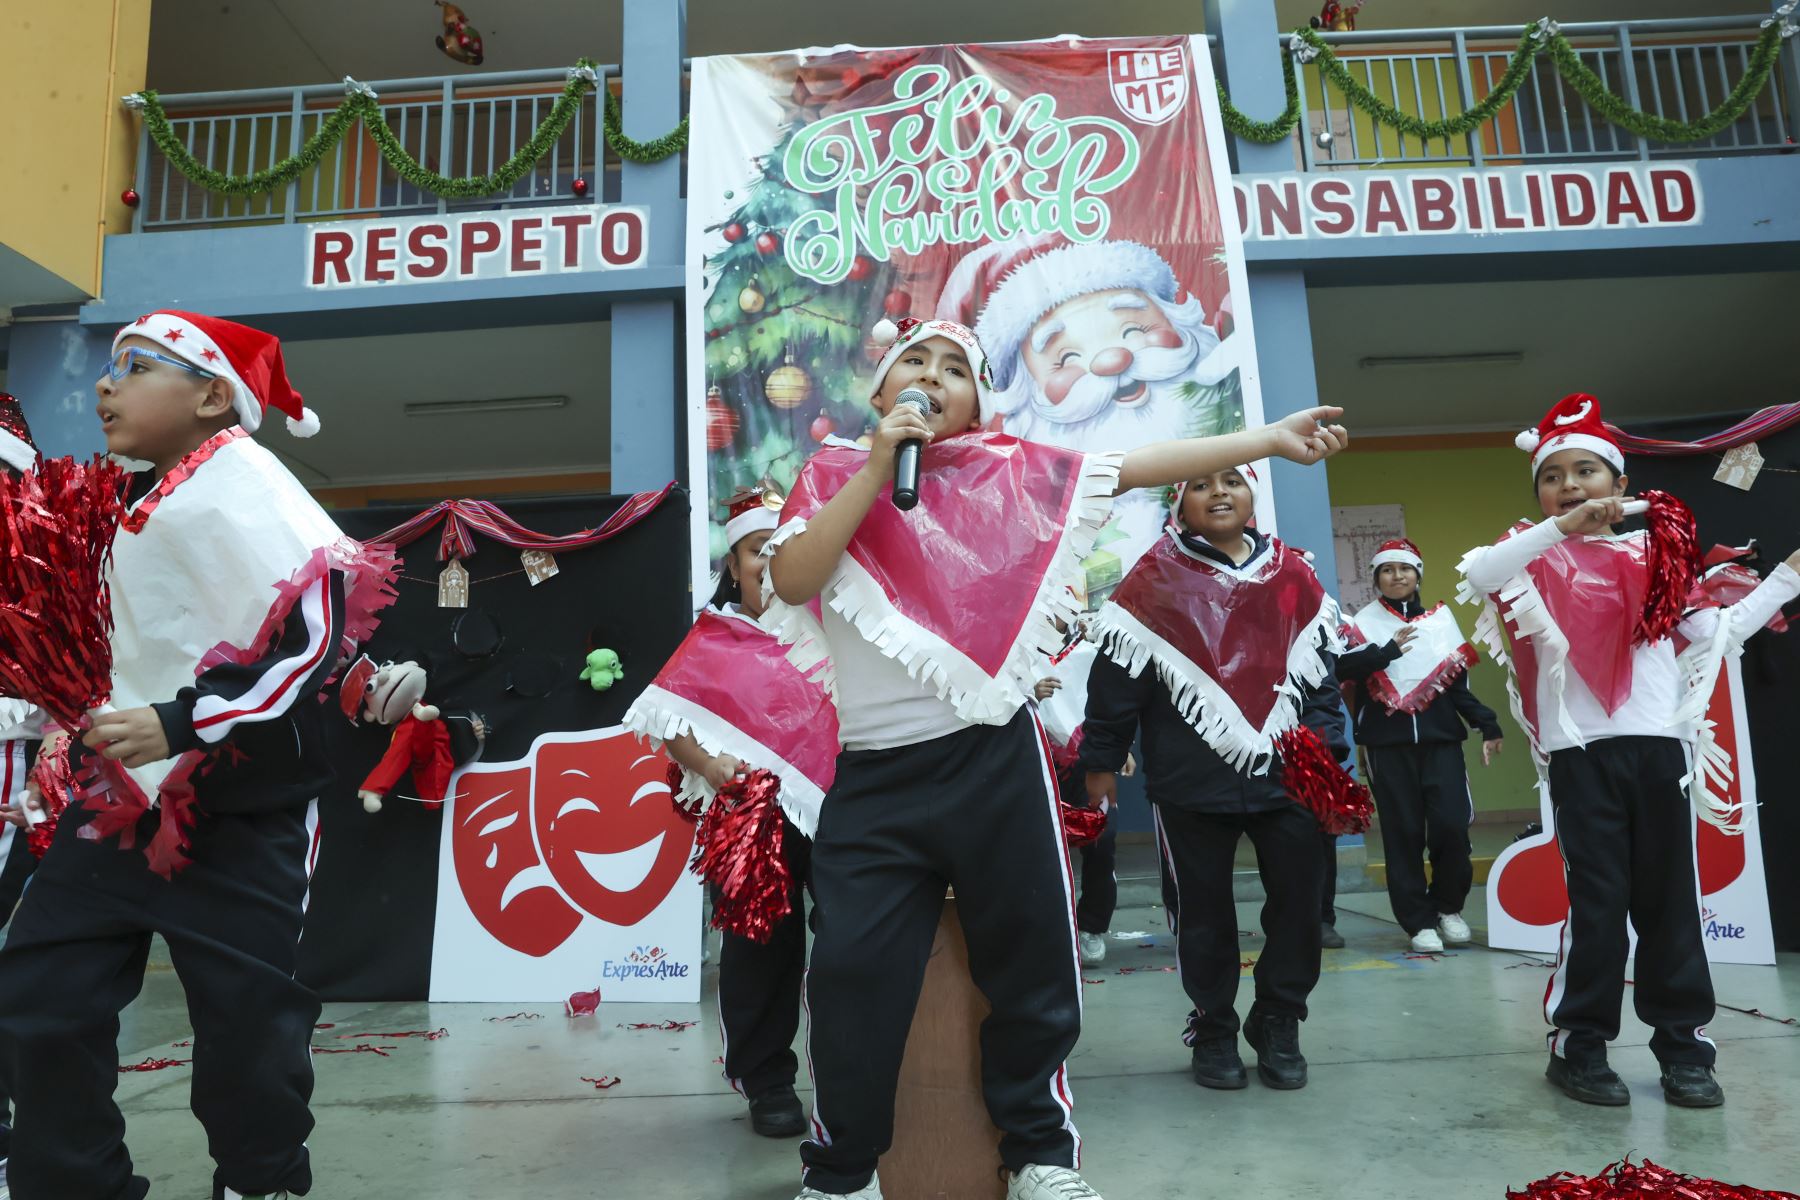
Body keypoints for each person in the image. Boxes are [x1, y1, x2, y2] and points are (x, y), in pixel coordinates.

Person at [760, 312, 1346, 1200]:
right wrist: (879, 466)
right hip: (871, 776)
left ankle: (1040, 1155)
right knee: (850, 979)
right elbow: (796, 579)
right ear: (880, 394)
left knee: (1033, 962)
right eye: (913, 363)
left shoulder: (1013, 474)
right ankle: (842, 1174)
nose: (931, 376)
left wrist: (1266, 436)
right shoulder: (836, 472)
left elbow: (1136, 467)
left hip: (990, 758)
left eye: (954, 368)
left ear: (978, 404)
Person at [0, 312, 417, 1200]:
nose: (107, 386)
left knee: (247, 1035)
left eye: (137, 367)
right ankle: (71, 1183)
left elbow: (316, 623)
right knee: (40, 995)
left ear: (213, 395)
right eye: (107, 371)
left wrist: (182, 721)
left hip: (240, 810)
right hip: (117, 803)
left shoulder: (246, 481)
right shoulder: (126, 496)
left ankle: (260, 1180)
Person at [1458, 392, 1800, 1110]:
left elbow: (1720, 636)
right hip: (1582, 755)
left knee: (1672, 905)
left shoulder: (1661, 552)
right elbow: (1483, 574)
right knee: (1599, 904)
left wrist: (1788, 577)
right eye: (1553, 475)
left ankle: (1683, 1048)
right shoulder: (1533, 554)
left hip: (1657, 751)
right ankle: (1577, 1046)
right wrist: (1559, 527)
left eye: (1587, 471)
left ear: (1621, 483)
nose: (1570, 485)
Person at [1081, 465, 1350, 1095]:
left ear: (1253, 495)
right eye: (1201, 484)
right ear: (1181, 503)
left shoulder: (1292, 572)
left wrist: (1329, 752)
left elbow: (1319, 673)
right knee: (1202, 912)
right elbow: (1116, 683)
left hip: (1289, 772)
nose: (1219, 492)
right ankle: (1215, 1028)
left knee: (1302, 905)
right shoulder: (1153, 579)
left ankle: (1279, 1019)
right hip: (1189, 781)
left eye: (1233, 479)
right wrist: (1101, 763)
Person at [623, 484, 837, 1141]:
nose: (767, 562)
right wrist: (713, 766)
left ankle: (854, 1076)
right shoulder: (715, 637)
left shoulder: (833, 631)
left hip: (836, 810)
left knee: (851, 944)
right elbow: (668, 717)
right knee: (757, 952)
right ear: (733, 562)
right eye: (754, 551)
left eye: (781, 549)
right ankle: (767, 1081)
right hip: (752, 820)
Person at [1339, 538, 1504, 952]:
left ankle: (1448, 908)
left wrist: (1488, 724)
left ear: (1418, 574)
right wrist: (1386, 652)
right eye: (1388, 570)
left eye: (1405, 568)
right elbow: (1340, 668)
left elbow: (1457, 685)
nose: (1397, 576)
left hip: (1441, 743)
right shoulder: (1362, 623)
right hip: (1386, 747)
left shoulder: (1441, 621)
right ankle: (1418, 923)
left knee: (1451, 827)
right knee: (1403, 835)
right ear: (1377, 577)